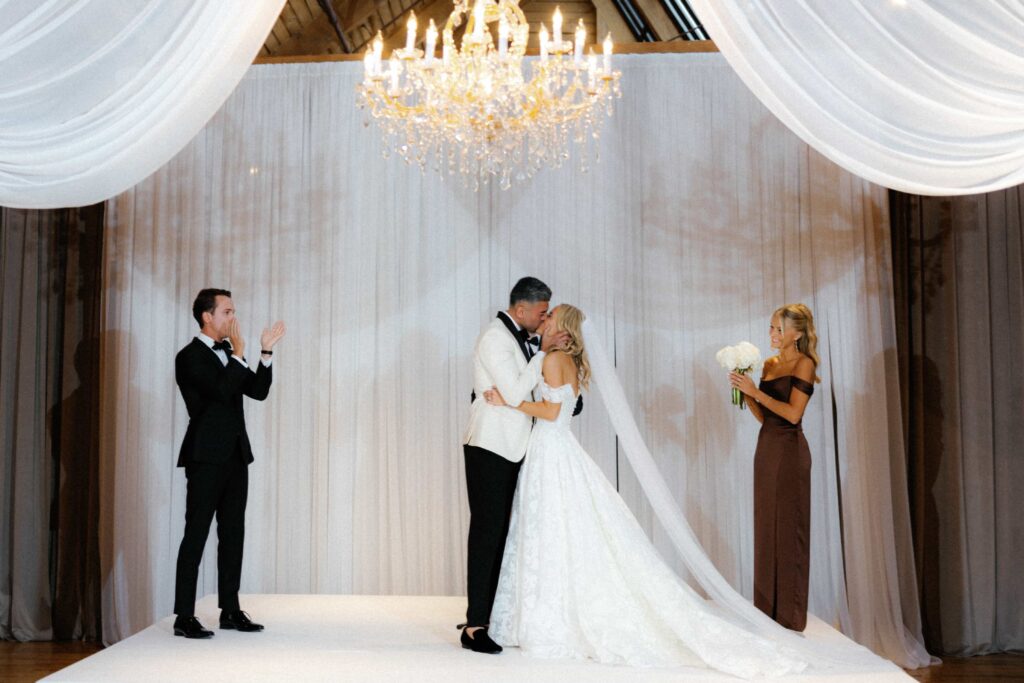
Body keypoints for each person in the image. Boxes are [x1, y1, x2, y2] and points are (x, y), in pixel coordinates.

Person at [484, 305, 806, 677]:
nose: (545, 321)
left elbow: (552, 412)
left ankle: (550, 617)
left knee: (551, 530)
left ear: (563, 328)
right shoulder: (564, 359)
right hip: (556, 451)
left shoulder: (552, 359)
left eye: (551, 316)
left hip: (550, 451)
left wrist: (509, 400)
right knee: (556, 530)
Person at [459, 277, 569, 654]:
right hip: (490, 446)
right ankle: (474, 626)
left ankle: (486, 613)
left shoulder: (519, 338)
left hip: (511, 446)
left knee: (501, 534)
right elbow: (516, 391)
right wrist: (541, 353)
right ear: (521, 309)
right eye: (541, 313)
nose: (544, 320)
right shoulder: (494, 338)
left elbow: (519, 394)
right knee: (487, 533)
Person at [172, 288, 285, 639]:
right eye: (227, 311)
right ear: (207, 316)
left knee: (233, 533)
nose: (233, 318)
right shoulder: (189, 357)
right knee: (196, 533)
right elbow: (221, 392)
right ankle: (184, 616)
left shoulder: (228, 354)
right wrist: (238, 354)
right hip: (206, 456)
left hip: (236, 455)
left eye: (233, 311)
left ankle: (230, 610)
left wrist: (265, 352)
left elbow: (257, 390)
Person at [730, 303, 819, 631]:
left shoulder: (804, 363)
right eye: (770, 327)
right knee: (766, 528)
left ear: (796, 333)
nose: (772, 334)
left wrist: (756, 392)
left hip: (790, 452)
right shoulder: (768, 365)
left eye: (778, 329)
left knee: (788, 528)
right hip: (766, 450)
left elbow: (794, 415)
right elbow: (764, 416)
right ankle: (765, 614)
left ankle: (790, 617)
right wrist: (745, 392)